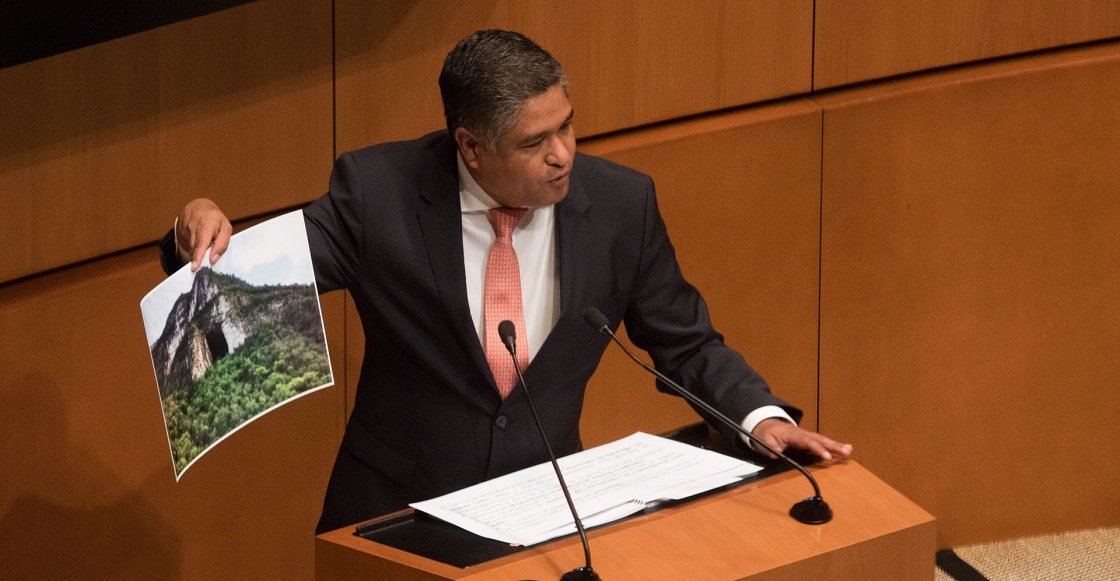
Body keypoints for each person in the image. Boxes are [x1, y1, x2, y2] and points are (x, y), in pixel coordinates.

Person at [162, 29, 852, 534]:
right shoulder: (379, 197)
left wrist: (761, 418)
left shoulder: (619, 206)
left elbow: (687, 342)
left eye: (567, 126)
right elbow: (234, 277)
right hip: (398, 518)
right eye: (534, 143)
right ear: (470, 145)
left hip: (549, 516)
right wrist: (190, 229)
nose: (563, 156)